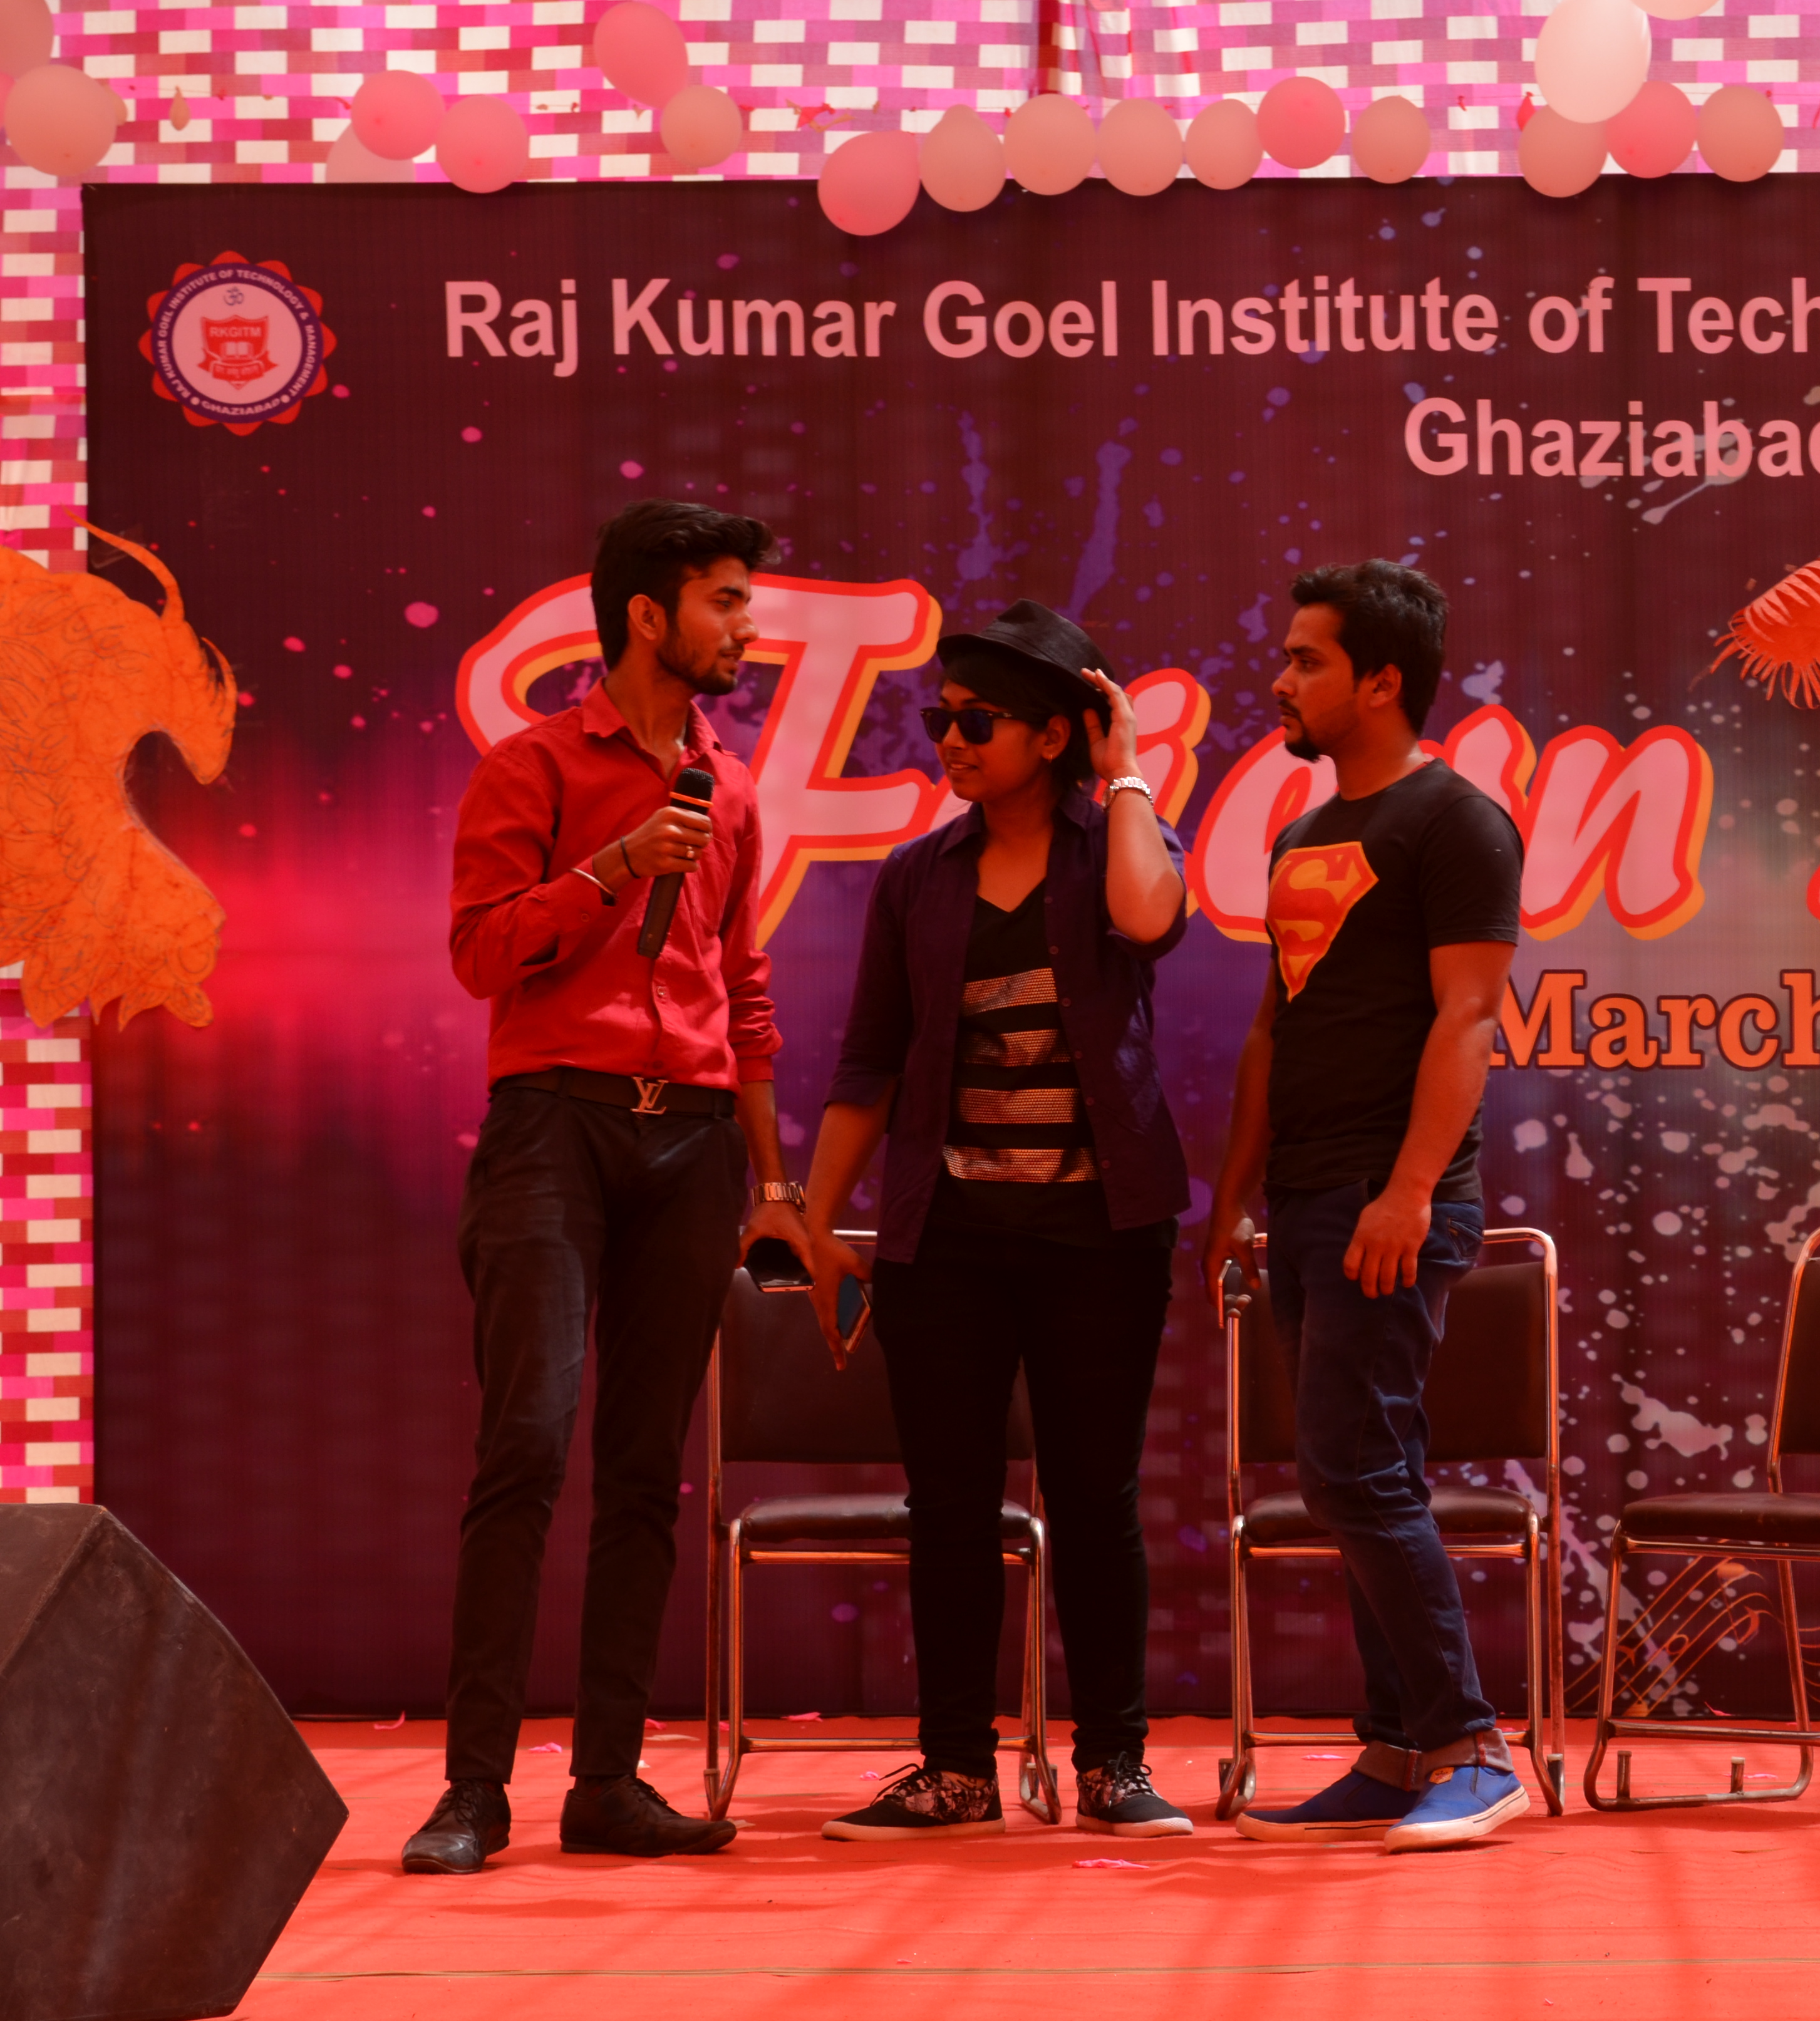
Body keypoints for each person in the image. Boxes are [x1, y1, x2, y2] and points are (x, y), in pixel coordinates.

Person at [403, 500, 812, 1874]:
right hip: (554, 1126)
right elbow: (480, 954)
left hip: (691, 1140)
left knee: (646, 1471)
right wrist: (609, 870)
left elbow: (743, 988)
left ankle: (609, 1783)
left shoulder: (730, 787)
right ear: (649, 615)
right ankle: (472, 1790)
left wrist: (774, 1182)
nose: (746, 629)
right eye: (726, 602)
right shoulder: (532, 765)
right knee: (526, 1443)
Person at [802, 601, 1197, 1842]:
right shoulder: (918, 877)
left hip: (1101, 1235)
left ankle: (1115, 1764)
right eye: (942, 719)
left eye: (977, 722)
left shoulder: (1119, 843)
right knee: (950, 1505)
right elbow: (870, 1061)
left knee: (1095, 1497)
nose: (951, 741)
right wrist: (815, 1220)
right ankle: (957, 1770)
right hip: (948, 1242)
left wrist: (1125, 770)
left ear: (1051, 735)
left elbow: (1150, 921)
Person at [1204, 561, 1531, 1853]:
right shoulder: (1302, 840)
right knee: (1346, 1478)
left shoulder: (1457, 823)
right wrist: (1234, 1201)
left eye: (1307, 660)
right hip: (1303, 1200)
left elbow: (1469, 1018)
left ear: (1381, 682)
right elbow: (1272, 1034)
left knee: (1357, 1471)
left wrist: (1408, 1190)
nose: (1279, 679)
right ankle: (1398, 1753)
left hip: (1388, 1201)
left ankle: (1472, 1748)